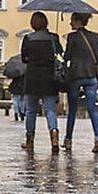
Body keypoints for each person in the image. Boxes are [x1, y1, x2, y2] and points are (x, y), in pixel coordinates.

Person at [63, 12, 98, 153]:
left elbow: (67, 56)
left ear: (77, 21)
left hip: (76, 76)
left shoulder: (72, 37)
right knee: (92, 108)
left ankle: (68, 140)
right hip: (91, 76)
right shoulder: (95, 37)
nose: (70, 23)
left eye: (72, 21)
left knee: (73, 110)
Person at [21, 11, 63, 152]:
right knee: (50, 110)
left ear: (33, 24)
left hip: (32, 78)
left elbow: (23, 58)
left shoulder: (28, 38)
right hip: (49, 78)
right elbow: (60, 53)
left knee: (31, 111)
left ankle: (30, 140)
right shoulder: (53, 38)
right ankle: (54, 132)